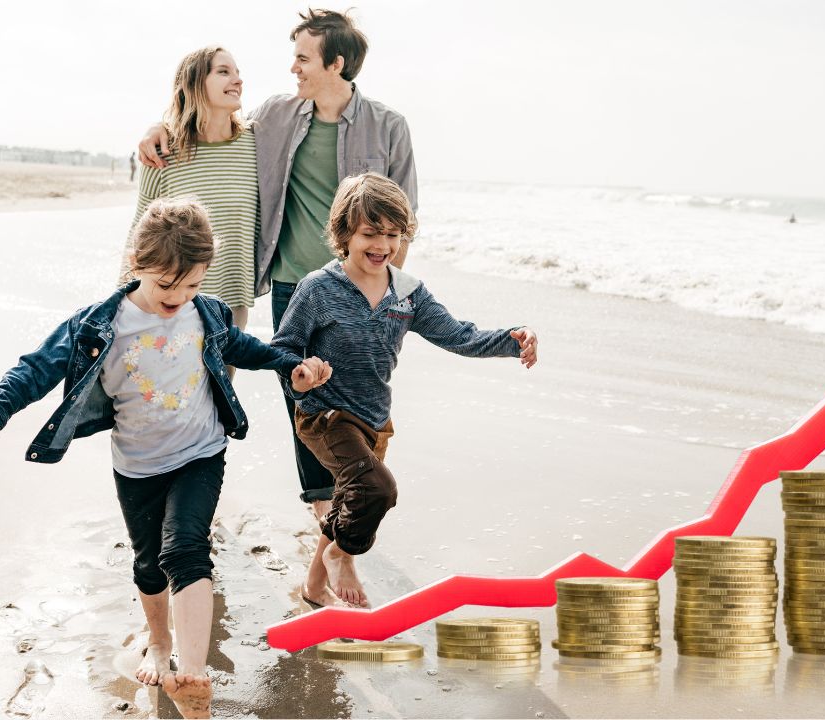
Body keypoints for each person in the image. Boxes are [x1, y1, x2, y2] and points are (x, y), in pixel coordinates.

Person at [0, 198, 331, 718]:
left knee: (186, 549)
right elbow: (35, 369)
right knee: (150, 563)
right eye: (166, 286)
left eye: (192, 285)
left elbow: (247, 348)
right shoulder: (99, 324)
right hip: (137, 464)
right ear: (138, 266)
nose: (179, 297)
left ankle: (192, 670)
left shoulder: (207, 312)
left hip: (201, 452)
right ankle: (158, 641)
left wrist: (292, 367)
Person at [139, 10, 418, 536]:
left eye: (303, 58)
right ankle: (323, 511)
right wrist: (158, 127)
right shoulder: (277, 117)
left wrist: (384, 295)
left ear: (336, 63)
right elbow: (208, 126)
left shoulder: (389, 127)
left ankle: (353, 504)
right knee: (303, 393)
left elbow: (407, 219)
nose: (292, 69)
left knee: (359, 398)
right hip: (291, 283)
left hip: (358, 286)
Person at [272, 174, 538, 607]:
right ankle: (343, 553)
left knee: (349, 500)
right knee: (378, 490)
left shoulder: (408, 294)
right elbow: (283, 349)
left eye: (393, 234)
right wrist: (298, 376)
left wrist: (513, 340)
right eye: (369, 234)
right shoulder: (318, 288)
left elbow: (459, 336)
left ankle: (313, 589)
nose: (382, 245)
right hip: (323, 415)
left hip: (374, 419)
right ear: (344, 234)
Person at [122, 46, 259, 338]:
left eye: (238, 73)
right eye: (224, 72)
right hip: (170, 301)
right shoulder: (164, 151)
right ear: (194, 83)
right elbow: (140, 229)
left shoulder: (256, 144)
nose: (237, 80)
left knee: (221, 385)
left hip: (231, 306)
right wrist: (120, 301)